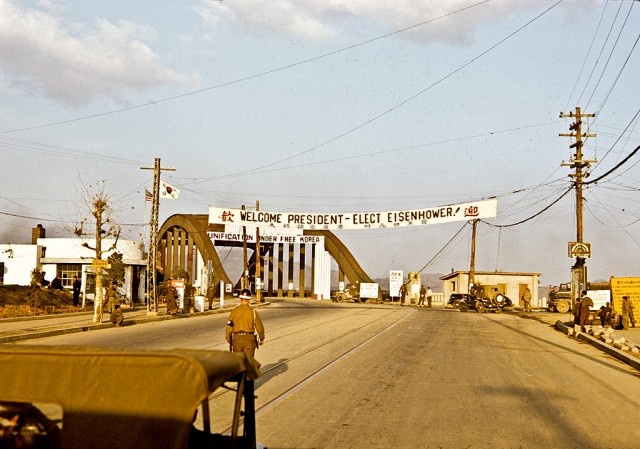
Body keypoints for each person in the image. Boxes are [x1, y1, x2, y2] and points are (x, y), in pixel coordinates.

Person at [225, 289, 265, 358]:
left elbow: (229, 327)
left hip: (237, 340)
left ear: (240, 299)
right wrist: (261, 339)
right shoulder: (253, 312)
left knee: (239, 363)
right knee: (249, 363)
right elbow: (259, 327)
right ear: (249, 300)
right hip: (249, 340)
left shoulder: (234, 312)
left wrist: (229, 339)